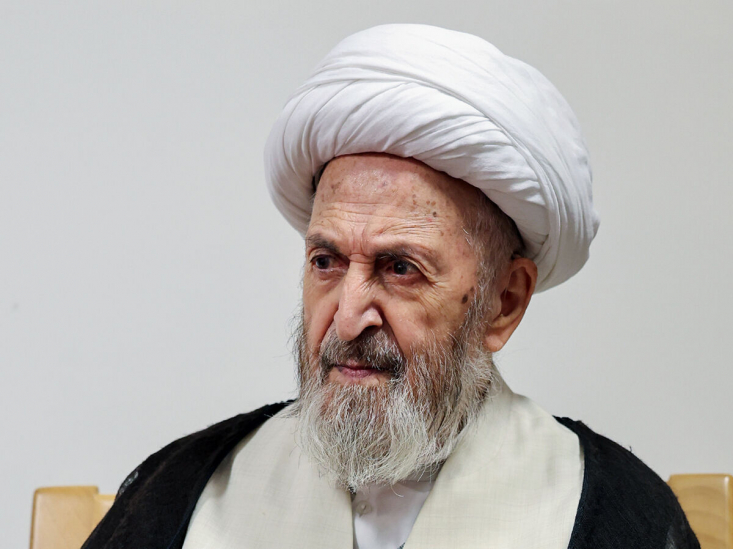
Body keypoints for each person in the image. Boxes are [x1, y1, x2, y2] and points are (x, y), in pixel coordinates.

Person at [82, 24, 699, 549]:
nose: (348, 317)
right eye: (326, 262)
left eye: (400, 268)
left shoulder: (619, 518)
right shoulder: (182, 495)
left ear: (503, 303)